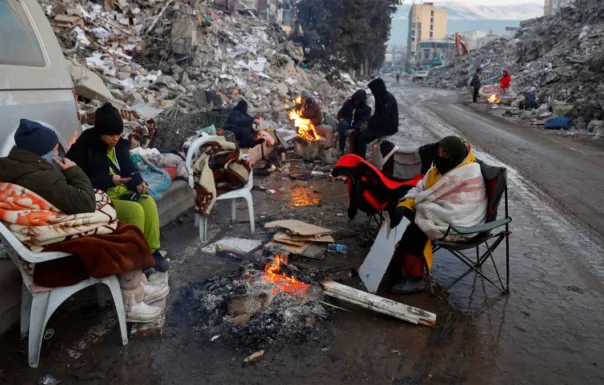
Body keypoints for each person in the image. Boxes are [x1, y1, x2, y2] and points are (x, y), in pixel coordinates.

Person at [0, 119, 166, 322]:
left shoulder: (16, 166)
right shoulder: (41, 176)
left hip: (39, 235)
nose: (58, 153)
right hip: (48, 256)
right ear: (41, 152)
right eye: (54, 148)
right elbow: (85, 202)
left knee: (126, 224)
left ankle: (137, 285)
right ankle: (132, 302)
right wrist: (73, 171)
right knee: (125, 236)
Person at [66, 102, 170, 272]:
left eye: (118, 134)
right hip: (98, 197)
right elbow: (77, 181)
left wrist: (139, 184)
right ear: (100, 132)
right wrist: (108, 181)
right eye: (111, 135)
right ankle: (134, 259)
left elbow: (130, 170)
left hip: (119, 191)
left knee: (148, 202)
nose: (115, 138)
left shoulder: (120, 145)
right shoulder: (84, 148)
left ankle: (152, 252)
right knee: (134, 210)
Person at [387, 136, 487, 295]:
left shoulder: (468, 173)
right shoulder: (436, 170)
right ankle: (396, 263)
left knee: (415, 227)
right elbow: (421, 188)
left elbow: (460, 210)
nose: (440, 157)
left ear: (455, 154)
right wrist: (408, 202)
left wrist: (421, 206)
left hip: (460, 225)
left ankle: (416, 278)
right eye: (439, 153)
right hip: (432, 210)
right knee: (398, 212)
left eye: (445, 154)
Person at [354, 78, 399, 158]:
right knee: (357, 133)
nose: (373, 92)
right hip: (381, 124)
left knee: (362, 138)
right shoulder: (381, 97)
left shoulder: (388, 99)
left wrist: (369, 124)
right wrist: (369, 122)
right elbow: (377, 114)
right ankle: (356, 156)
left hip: (388, 126)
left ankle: (360, 160)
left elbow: (383, 116)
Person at [336, 90, 372, 155]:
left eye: (358, 101)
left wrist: (353, 129)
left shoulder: (367, 109)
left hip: (356, 127)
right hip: (346, 123)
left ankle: (355, 153)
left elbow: (362, 121)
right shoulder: (349, 103)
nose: (356, 102)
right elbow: (340, 113)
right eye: (355, 100)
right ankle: (341, 149)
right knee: (343, 125)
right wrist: (341, 119)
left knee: (359, 134)